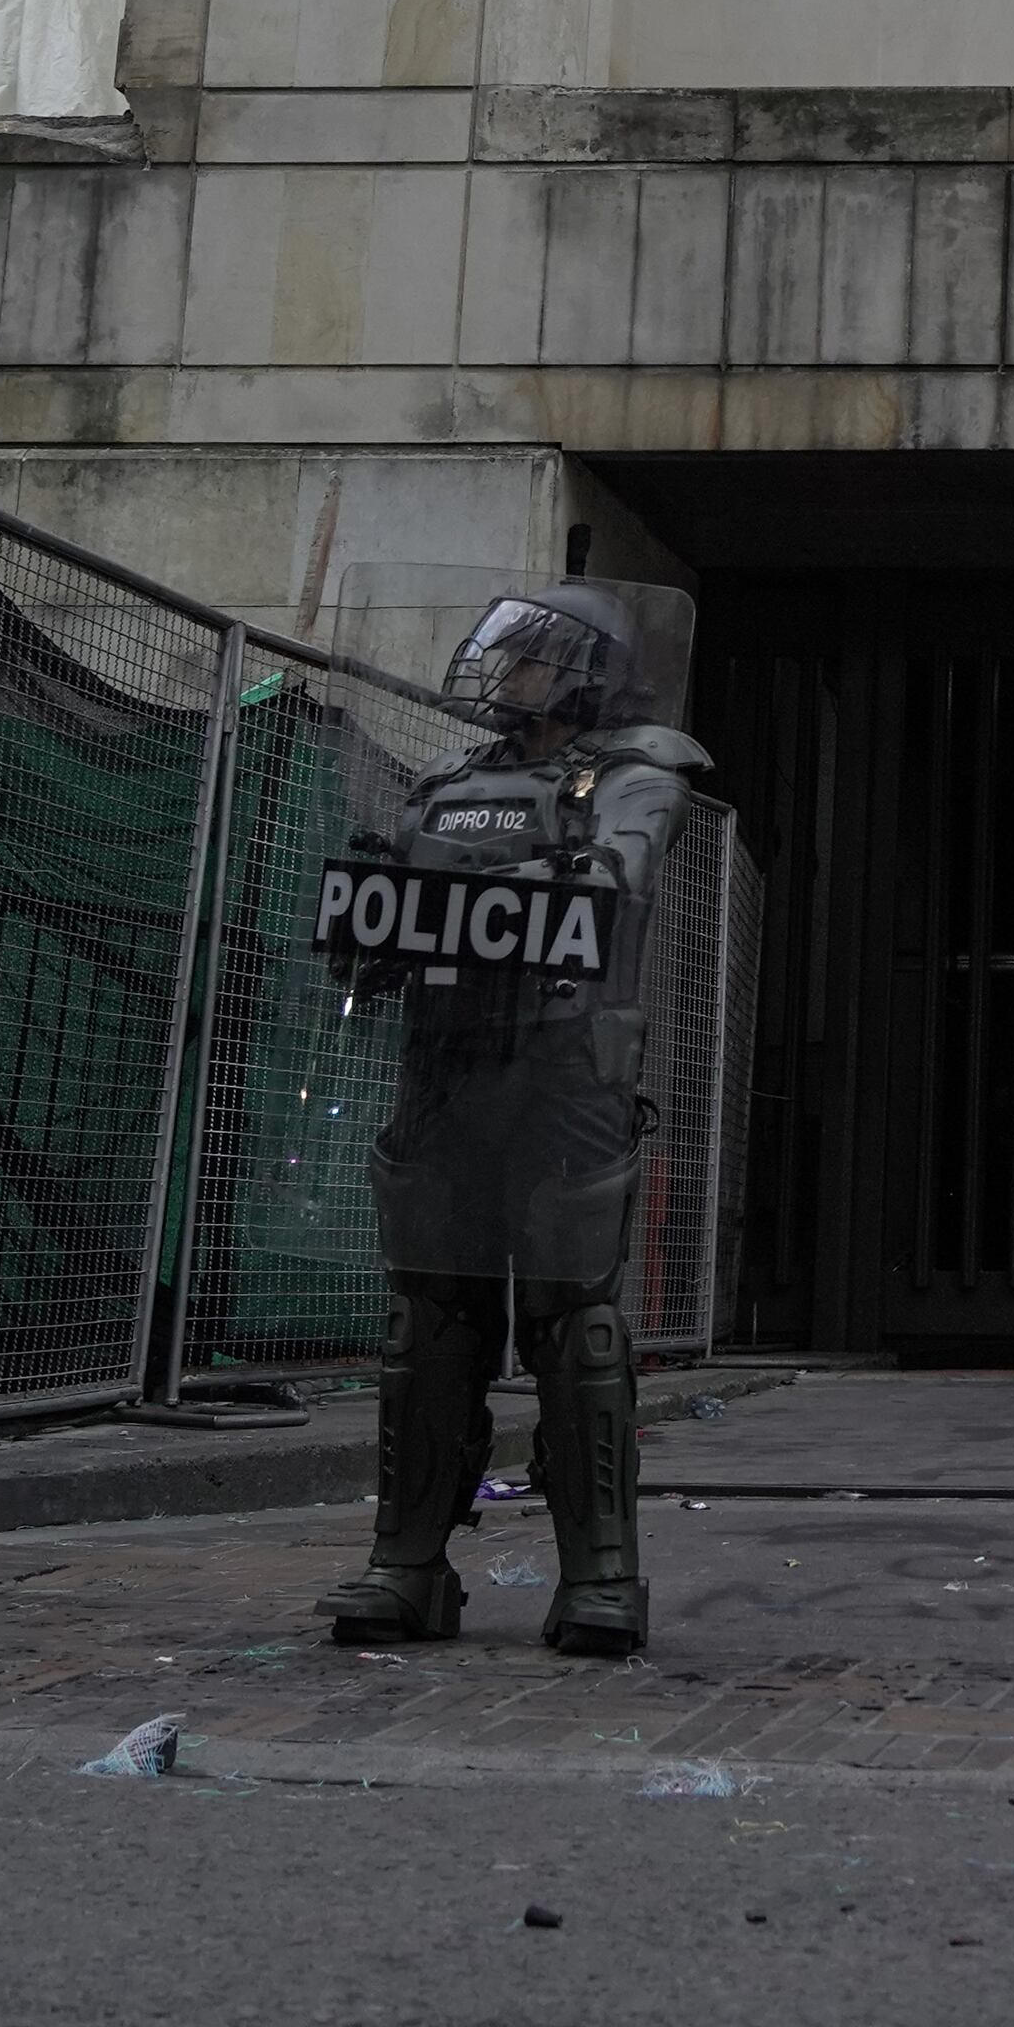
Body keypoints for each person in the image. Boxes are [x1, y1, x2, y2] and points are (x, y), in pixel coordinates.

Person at [316, 581, 707, 1660]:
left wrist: (456, 890)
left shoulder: (636, 778)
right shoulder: (449, 783)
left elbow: (613, 882)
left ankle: (600, 1578)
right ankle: (407, 1566)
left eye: (531, 657)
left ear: (588, 671)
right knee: (428, 1324)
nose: (507, 672)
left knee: (571, 1326)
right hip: (444, 1075)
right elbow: (387, 920)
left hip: (565, 1078)